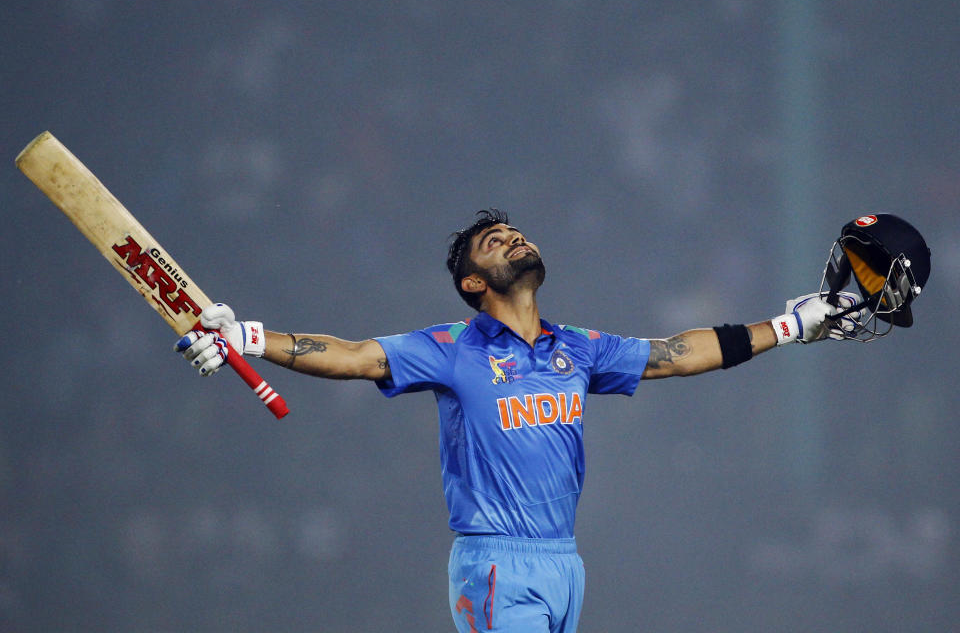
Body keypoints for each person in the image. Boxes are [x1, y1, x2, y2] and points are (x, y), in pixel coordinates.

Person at [176, 210, 860, 632]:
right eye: (496, 242)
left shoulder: (578, 348)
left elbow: (675, 356)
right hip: (496, 560)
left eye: (515, 233)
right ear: (475, 284)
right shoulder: (453, 348)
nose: (515, 239)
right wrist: (253, 338)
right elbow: (354, 356)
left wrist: (792, 324)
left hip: (565, 561)